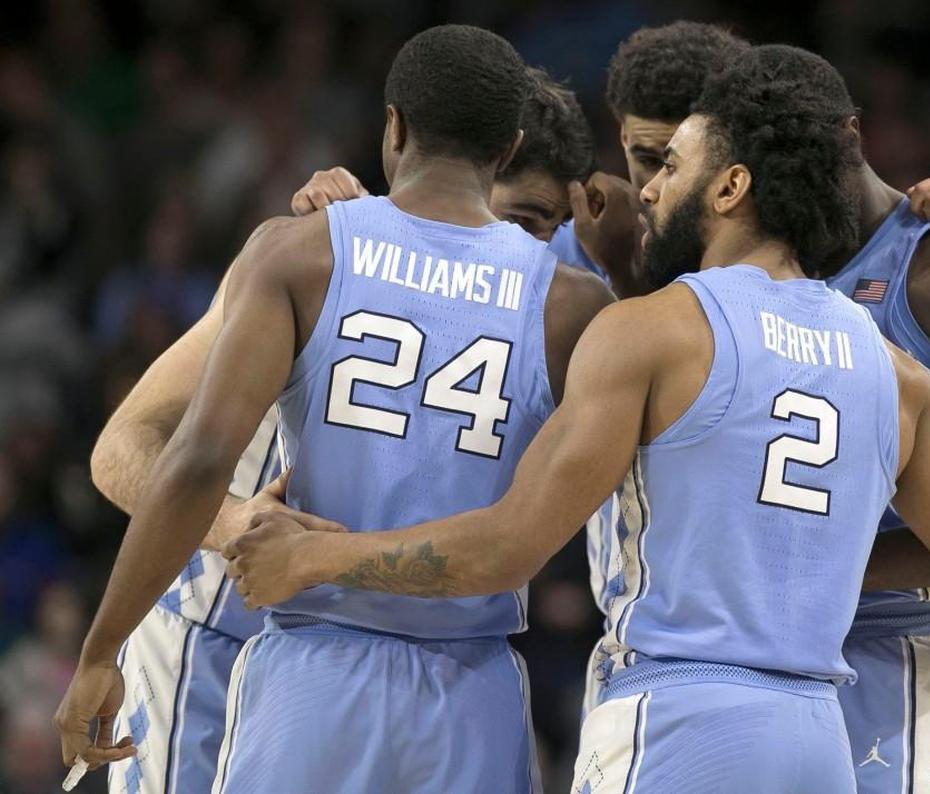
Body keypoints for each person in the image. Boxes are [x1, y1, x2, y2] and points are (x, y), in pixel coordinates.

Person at [225, 45, 930, 793]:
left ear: (731, 188)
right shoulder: (894, 374)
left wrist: (314, 555)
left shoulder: (651, 332)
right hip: (817, 741)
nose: (646, 188)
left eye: (673, 165)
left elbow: (508, 547)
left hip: (678, 721)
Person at [56, 24, 612, 793]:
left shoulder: (301, 250)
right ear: (507, 150)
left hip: (311, 662)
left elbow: (194, 461)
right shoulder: (575, 305)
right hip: (468, 679)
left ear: (393, 126)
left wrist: (95, 652)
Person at [579, 26, 930, 791]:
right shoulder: (682, 273)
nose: (657, 189)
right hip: (704, 659)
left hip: (896, 654)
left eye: (672, 159)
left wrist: (820, 566)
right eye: (648, 159)